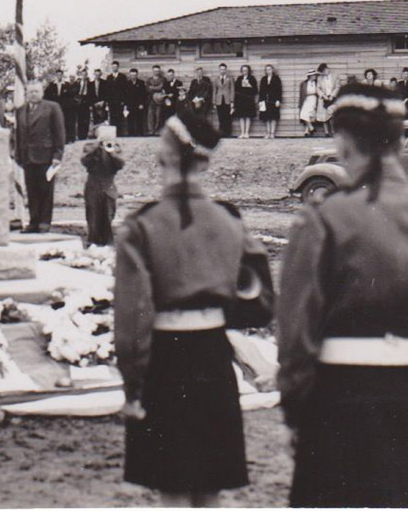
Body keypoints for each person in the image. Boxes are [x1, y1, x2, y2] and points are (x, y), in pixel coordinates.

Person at [115, 111, 269, 506]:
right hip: (214, 359)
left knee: (173, 488)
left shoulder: (143, 225)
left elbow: (134, 320)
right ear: (205, 161)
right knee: (210, 486)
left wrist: (133, 387)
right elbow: (260, 300)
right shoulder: (229, 221)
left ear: (162, 157)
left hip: (166, 361)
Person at [276, 84, 408, 508]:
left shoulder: (327, 218)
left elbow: (296, 330)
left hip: (340, 396)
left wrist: (296, 410)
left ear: (345, 142)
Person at [14, 80, 65, 234]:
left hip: (46, 156)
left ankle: (44, 222)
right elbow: (18, 135)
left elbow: (60, 133)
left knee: (45, 191)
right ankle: (33, 221)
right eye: (30, 92)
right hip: (27, 157)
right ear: (26, 94)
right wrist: (18, 155)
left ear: (42, 92)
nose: (33, 94)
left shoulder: (52, 108)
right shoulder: (21, 110)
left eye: (36, 91)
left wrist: (58, 155)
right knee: (31, 191)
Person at [80, 124, 124, 246]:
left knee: (108, 214)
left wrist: (111, 153)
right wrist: (96, 147)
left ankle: (108, 243)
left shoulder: (116, 147)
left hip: (108, 184)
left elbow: (120, 164)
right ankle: (92, 241)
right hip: (93, 184)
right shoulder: (89, 146)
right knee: (93, 216)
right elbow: (84, 161)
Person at [102, 61, 128, 136]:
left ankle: (119, 133)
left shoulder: (122, 77)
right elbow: (107, 90)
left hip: (120, 101)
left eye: (115, 67)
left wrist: (123, 100)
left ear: (118, 67)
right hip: (111, 101)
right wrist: (107, 101)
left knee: (119, 116)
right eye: (113, 67)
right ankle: (113, 133)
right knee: (112, 116)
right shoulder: (109, 77)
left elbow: (125, 90)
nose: (114, 68)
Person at [258, 64, 283, 139]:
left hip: (274, 100)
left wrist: (278, 100)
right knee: (267, 117)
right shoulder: (263, 79)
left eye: (269, 69)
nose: (268, 71)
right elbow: (261, 91)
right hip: (265, 100)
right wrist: (260, 101)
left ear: (272, 70)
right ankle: (268, 132)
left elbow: (279, 90)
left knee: (273, 117)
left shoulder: (276, 78)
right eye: (267, 70)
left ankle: (272, 133)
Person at [233, 64, 258, 139]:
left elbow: (255, 90)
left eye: (246, 70)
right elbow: (236, 90)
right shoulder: (239, 78)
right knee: (241, 116)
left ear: (248, 71)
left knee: (248, 116)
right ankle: (242, 132)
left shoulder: (252, 78)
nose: (244, 72)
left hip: (249, 99)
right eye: (243, 70)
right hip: (240, 100)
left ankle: (247, 133)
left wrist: (249, 85)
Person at [315, 63, 338, 136]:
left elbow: (337, 87)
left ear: (327, 68)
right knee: (323, 116)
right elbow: (317, 88)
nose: (325, 72)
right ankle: (326, 132)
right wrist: (323, 95)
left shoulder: (335, 76)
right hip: (323, 98)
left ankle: (333, 131)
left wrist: (332, 95)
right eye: (323, 71)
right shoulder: (319, 78)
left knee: (332, 115)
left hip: (332, 98)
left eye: (325, 70)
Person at [212, 63, 235, 137]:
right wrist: (214, 102)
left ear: (226, 70)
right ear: (219, 70)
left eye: (224, 69)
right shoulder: (216, 79)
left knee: (227, 117)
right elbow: (214, 91)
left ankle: (228, 133)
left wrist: (232, 101)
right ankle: (221, 133)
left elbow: (232, 90)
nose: (222, 70)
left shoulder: (230, 78)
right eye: (221, 69)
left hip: (227, 100)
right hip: (219, 100)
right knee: (220, 117)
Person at [123, 68, 148, 137]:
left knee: (139, 119)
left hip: (139, 104)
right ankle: (131, 133)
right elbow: (125, 95)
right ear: (130, 75)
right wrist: (125, 105)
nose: (133, 77)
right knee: (130, 119)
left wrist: (142, 104)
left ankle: (140, 132)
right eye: (132, 75)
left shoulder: (141, 83)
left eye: (134, 75)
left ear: (137, 75)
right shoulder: (127, 84)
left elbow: (143, 94)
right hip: (130, 104)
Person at [58, 72, 80, 142]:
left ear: (75, 78)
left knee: (72, 122)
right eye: (70, 77)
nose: (71, 78)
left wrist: (68, 92)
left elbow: (75, 93)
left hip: (73, 107)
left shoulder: (77, 85)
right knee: (66, 122)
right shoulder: (65, 84)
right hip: (66, 107)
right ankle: (67, 138)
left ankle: (72, 138)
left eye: (73, 77)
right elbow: (63, 94)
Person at [145, 65, 166, 135]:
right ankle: (151, 130)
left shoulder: (163, 79)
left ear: (159, 71)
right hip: (151, 100)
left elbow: (161, 87)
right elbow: (148, 89)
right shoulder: (149, 80)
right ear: (152, 71)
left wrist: (152, 87)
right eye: (155, 71)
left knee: (158, 115)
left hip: (159, 100)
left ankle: (157, 131)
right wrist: (156, 88)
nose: (156, 72)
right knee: (150, 115)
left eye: (157, 71)